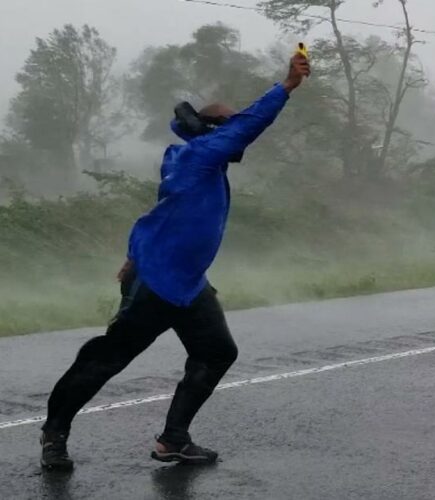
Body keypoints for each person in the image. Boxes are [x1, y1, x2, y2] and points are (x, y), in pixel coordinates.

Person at [39, 54, 311, 470]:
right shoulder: (201, 156)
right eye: (229, 122)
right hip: (159, 281)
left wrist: (132, 254)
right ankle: (54, 435)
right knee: (107, 358)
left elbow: (158, 216)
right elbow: (250, 123)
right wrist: (288, 85)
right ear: (213, 131)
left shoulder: (198, 163)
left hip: (187, 282)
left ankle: (174, 439)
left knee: (217, 352)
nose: (236, 127)